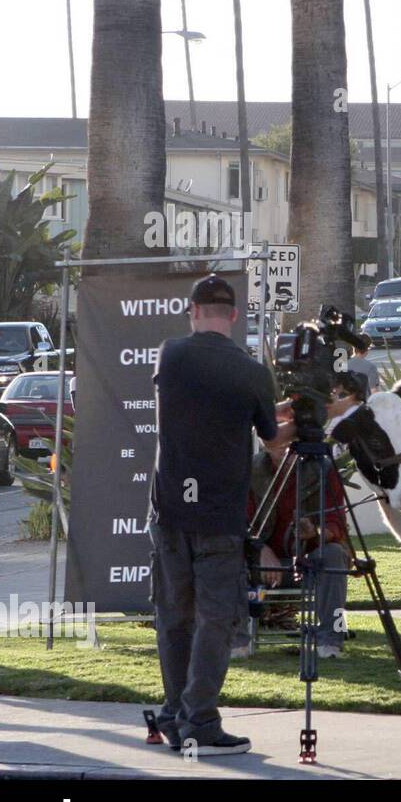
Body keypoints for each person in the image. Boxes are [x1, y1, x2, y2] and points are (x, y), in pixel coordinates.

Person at [148, 274, 290, 756]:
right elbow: (272, 437)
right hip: (220, 516)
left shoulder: (171, 354)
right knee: (214, 618)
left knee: (173, 616)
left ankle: (175, 714)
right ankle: (201, 722)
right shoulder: (252, 372)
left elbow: (197, 405)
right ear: (234, 315)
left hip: (169, 509)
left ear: (192, 312)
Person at [241, 430, 351, 659]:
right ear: (265, 443)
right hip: (261, 563)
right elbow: (238, 523)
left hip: (309, 561)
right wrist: (261, 549)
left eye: (291, 441)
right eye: (278, 442)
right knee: (228, 555)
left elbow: (337, 523)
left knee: (334, 555)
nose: (287, 448)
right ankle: (237, 641)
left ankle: (332, 640)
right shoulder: (250, 469)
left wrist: (315, 533)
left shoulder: (324, 469)